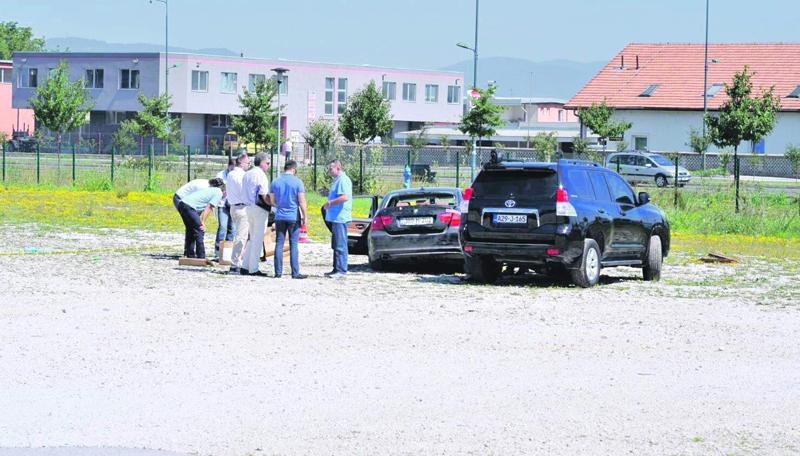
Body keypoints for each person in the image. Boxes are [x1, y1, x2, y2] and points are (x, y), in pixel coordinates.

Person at [269, 160, 308, 279]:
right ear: (294, 169)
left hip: (280, 216)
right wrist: (305, 216)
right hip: (293, 216)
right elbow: (301, 201)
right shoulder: (298, 182)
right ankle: (295, 272)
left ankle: (278, 272)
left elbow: (271, 200)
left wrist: (279, 205)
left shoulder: (275, 181)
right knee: (293, 244)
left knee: (279, 243)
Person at [177, 178, 225, 259]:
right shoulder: (219, 192)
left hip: (182, 203)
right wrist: (202, 222)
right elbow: (209, 207)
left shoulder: (211, 190)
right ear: (225, 191)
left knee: (190, 229)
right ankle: (201, 257)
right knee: (200, 229)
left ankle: (190, 255)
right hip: (189, 206)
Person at [240, 152, 271, 276]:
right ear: (262, 162)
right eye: (267, 163)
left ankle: (245, 266)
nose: (268, 166)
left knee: (252, 238)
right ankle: (253, 268)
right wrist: (273, 204)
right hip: (259, 208)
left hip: (248, 207)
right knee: (257, 239)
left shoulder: (247, 174)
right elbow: (263, 194)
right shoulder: (261, 175)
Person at [323, 159, 352, 278]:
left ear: (338, 168)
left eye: (331, 169)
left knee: (340, 245)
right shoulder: (337, 180)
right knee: (336, 245)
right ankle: (336, 269)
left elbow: (345, 197)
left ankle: (342, 270)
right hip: (335, 217)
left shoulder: (343, 180)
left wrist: (330, 203)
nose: (329, 171)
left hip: (341, 218)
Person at [225, 152, 251, 274]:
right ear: (241, 163)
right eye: (247, 163)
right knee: (242, 237)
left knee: (241, 235)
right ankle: (236, 262)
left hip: (233, 207)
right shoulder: (242, 176)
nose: (249, 165)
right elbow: (245, 192)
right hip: (242, 207)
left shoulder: (230, 174)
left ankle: (239, 260)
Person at [214, 158, 237, 258]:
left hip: (233, 204)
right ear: (229, 166)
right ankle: (218, 252)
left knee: (232, 228)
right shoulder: (220, 175)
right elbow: (216, 188)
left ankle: (227, 253)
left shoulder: (238, 175)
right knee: (222, 227)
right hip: (223, 204)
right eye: (232, 168)